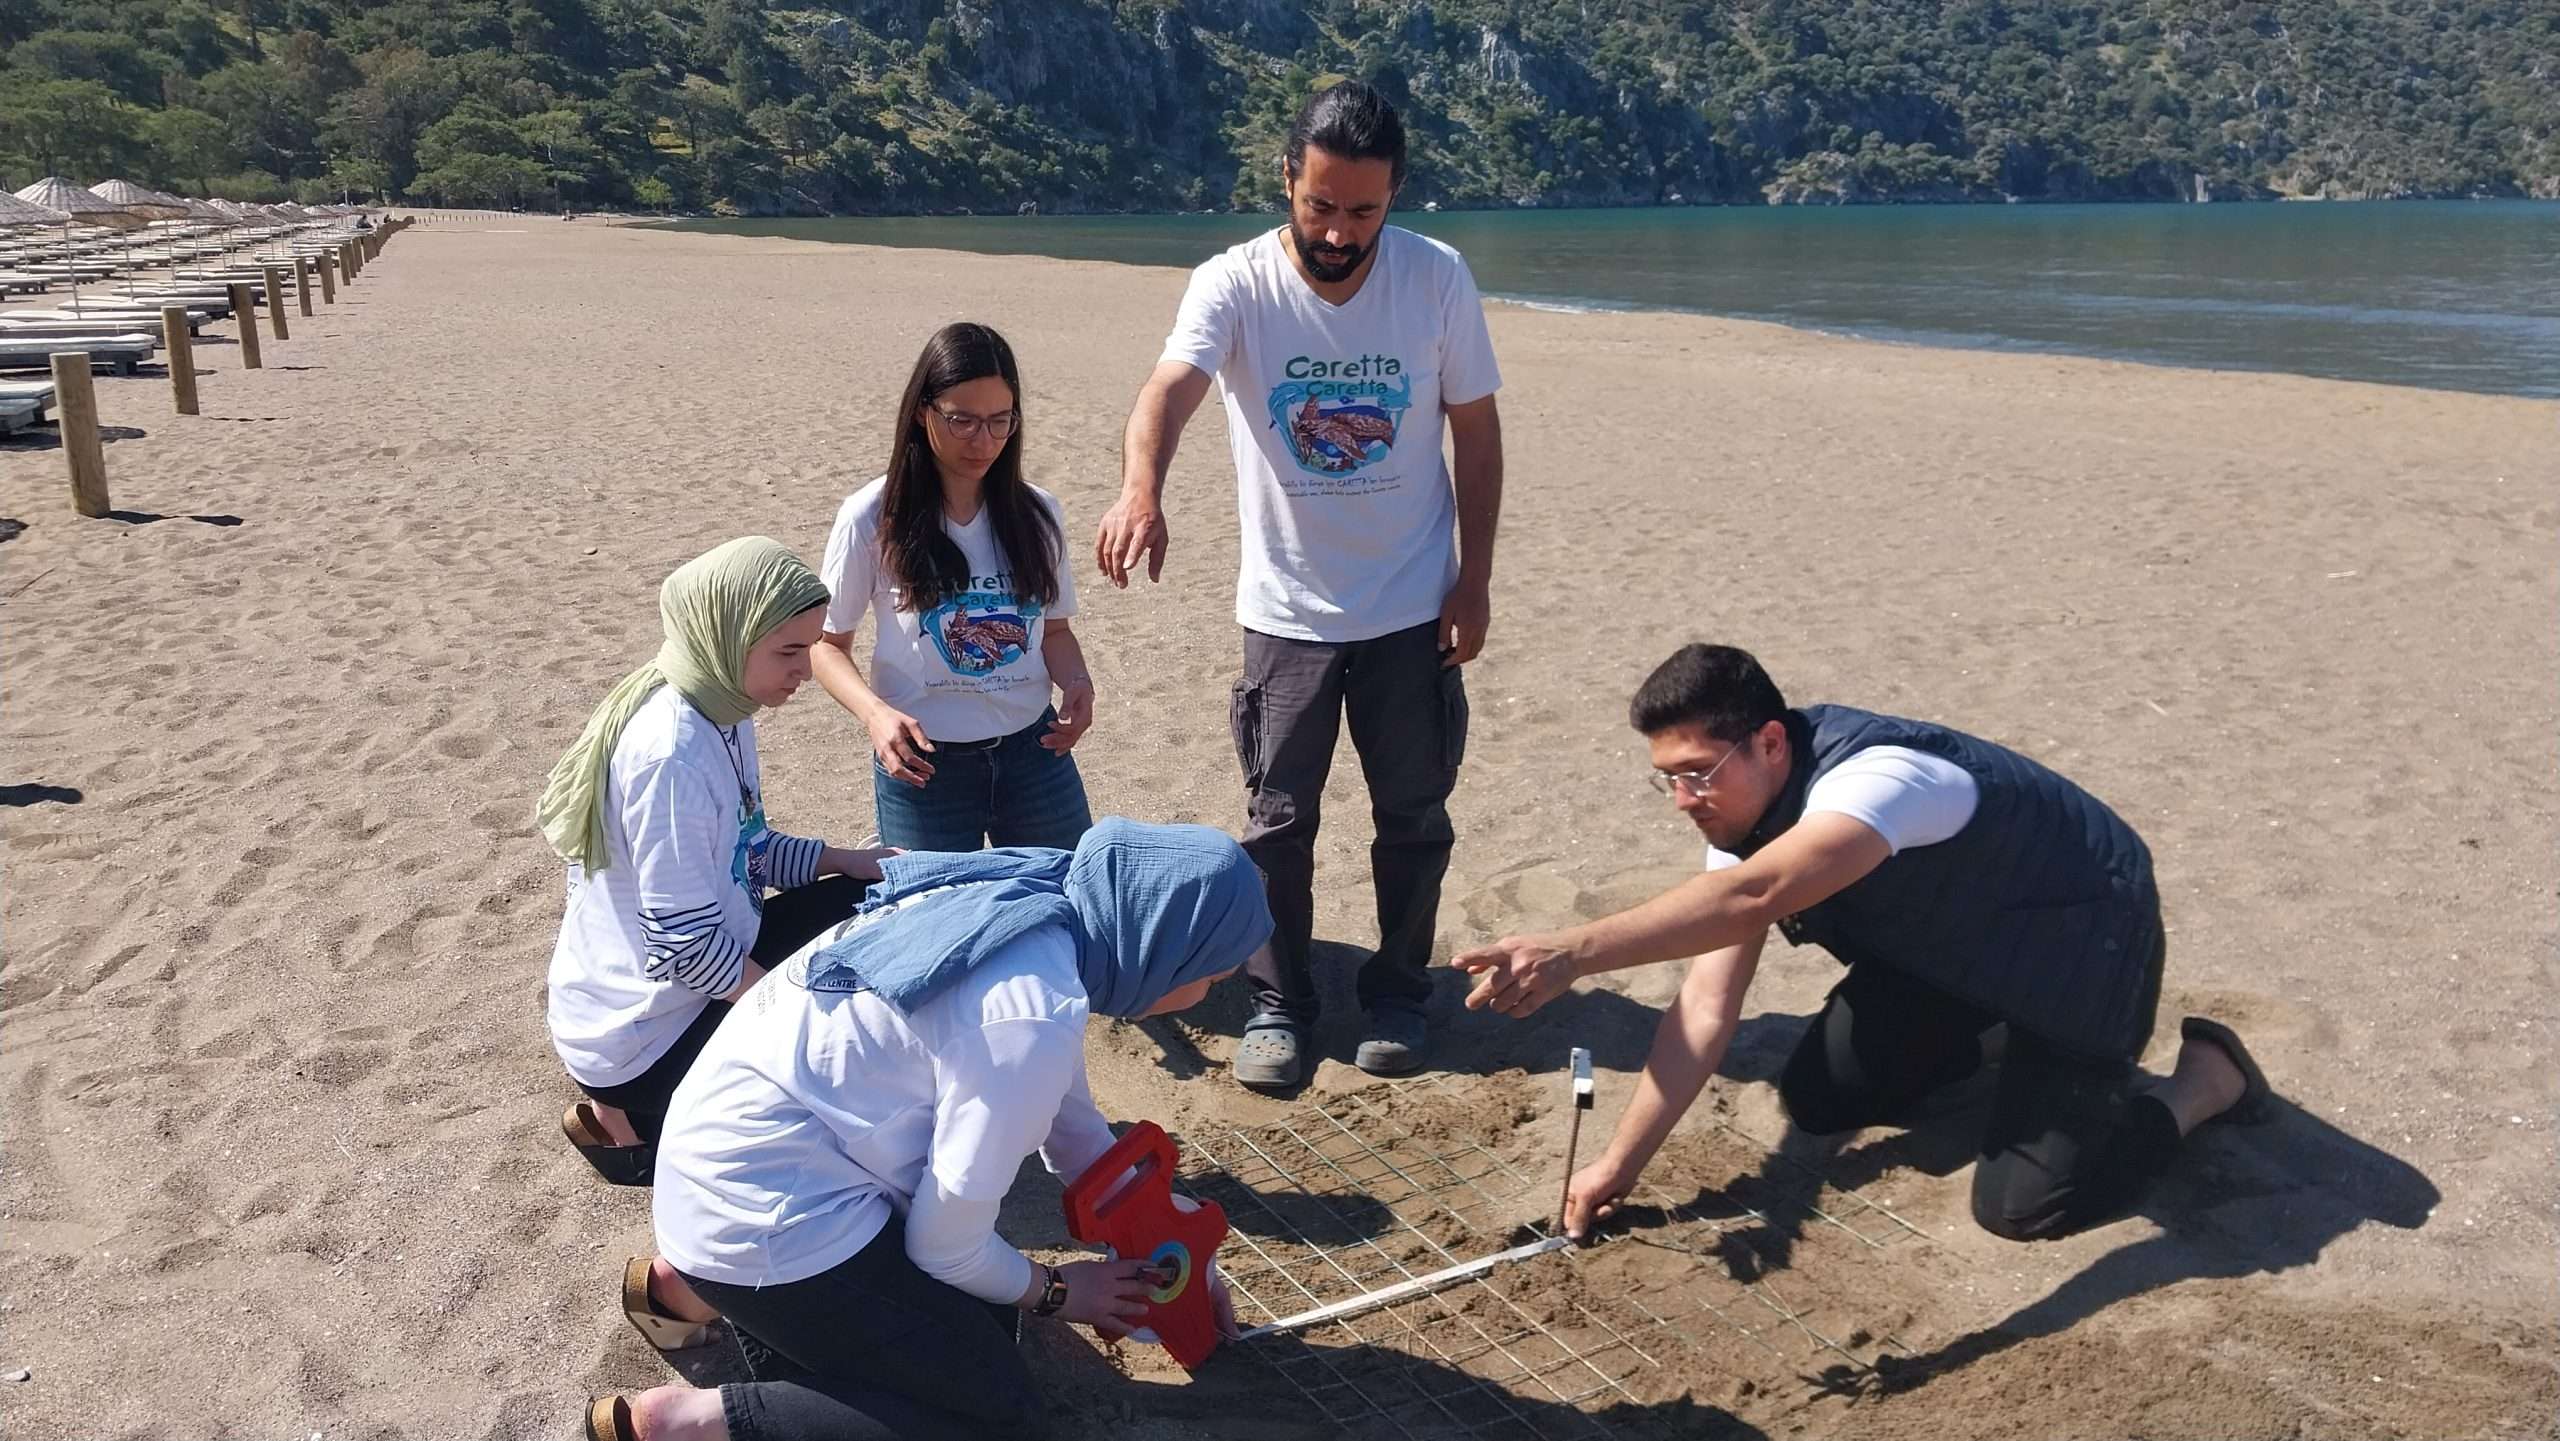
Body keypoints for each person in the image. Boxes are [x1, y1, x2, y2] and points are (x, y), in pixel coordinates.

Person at [1454, 644, 2272, 1244]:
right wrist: (1616, 1167)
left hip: (2081, 946)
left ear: (1770, 742)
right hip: (1952, 952)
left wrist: (1572, 952)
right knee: (1816, 1099)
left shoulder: (1882, 780)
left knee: (2023, 1208)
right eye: (1666, 776)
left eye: (1697, 771)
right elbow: (1706, 1004)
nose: (1681, 799)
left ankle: (2204, 1083)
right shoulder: (1737, 817)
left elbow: (1756, 897)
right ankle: (1992, 1037)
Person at [579, 818, 1272, 1441]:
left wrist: (1180, 1248)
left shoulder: (1031, 909)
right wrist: (1062, 1289)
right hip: (760, 1218)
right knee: (996, 1413)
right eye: (1212, 976)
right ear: (1166, 952)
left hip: (728, 1159)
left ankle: (687, 1290)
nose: (1208, 994)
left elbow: (1074, 1130)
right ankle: (689, 1423)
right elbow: (947, 1246)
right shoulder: (1032, 1014)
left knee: (991, 1320)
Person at [1095, 80, 1505, 1087]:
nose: (1336, 231)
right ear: (1287, 179)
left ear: (1395, 195)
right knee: (1277, 819)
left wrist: (1475, 580)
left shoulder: (1435, 277)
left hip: (1413, 607)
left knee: (1412, 813)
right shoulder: (1232, 284)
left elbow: (1478, 434)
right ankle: (1282, 1000)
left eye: (1362, 210)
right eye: (1319, 204)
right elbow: (1167, 391)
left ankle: (1400, 991)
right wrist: (1139, 489)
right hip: (1286, 611)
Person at [538, 537, 895, 1185]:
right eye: (789, 652)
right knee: (840, 1065)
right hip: (643, 1034)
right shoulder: (672, 752)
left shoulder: (722, 706)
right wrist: (796, 1017)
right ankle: (639, 1122)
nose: (806, 670)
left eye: (809, 648)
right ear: (728, 637)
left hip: (682, 980)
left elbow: (747, 850)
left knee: (867, 904)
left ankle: (635, 1115)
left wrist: (851, 860)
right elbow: (680, 945)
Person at [815, 322, 1096, 853]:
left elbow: (1054, 631)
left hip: (1034, 754)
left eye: (999, 422)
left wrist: (1078, 683)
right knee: (934, 923)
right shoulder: (872, 517)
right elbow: (827, 645)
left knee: (1067, 905)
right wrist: (875, 715)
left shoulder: (1038, 514)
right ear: (924, 412)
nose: (983, 440)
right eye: (962, 420)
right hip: (923, 766)